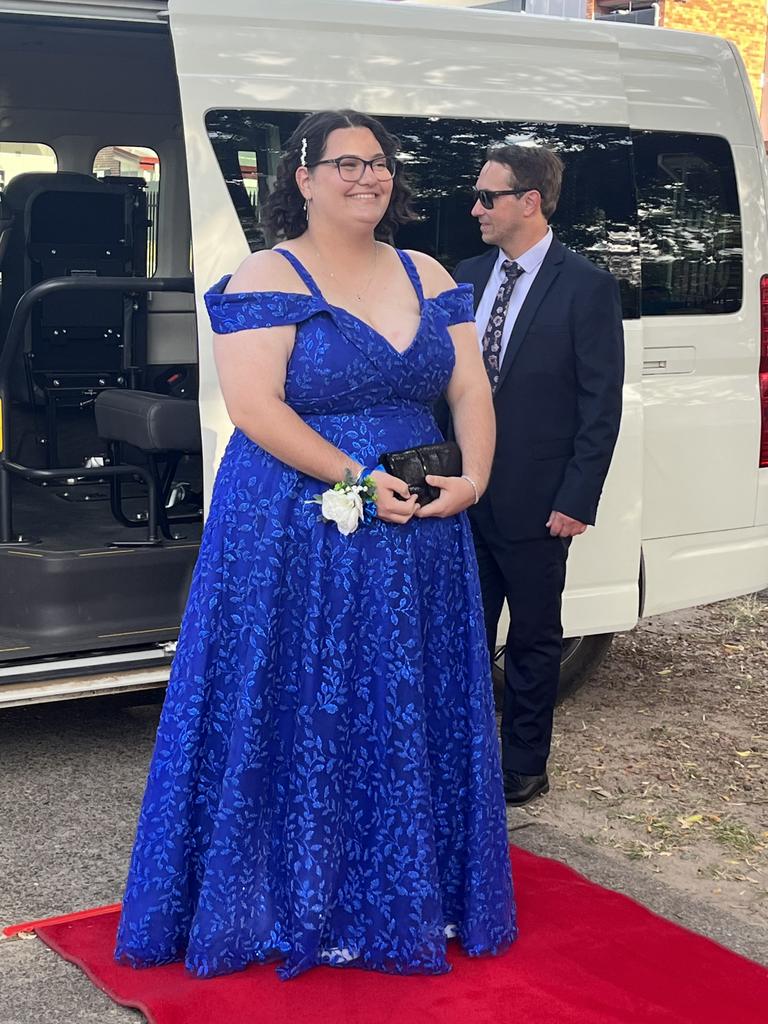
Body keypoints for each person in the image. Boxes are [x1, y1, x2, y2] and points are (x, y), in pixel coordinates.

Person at [114, 110, 516, 981]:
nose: (368, 177)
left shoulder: (428, 269)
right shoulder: (267, 273)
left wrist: (473, 480)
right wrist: (355, 478)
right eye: (346, 163)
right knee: (298, 699)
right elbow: (258, 409)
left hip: (420, 532)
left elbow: (470, 390)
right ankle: (285, 899)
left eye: (378, 164)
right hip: (298, 525)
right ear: (300, 178)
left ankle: (404, 895)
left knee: (396, 700)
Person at [454, 144, 624, 808]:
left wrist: (577, 498)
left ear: (529, 202)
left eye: (487, 197)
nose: (475, 208)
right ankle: (461, 758)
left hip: (538, 503)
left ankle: (525, 763)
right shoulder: (464, 275)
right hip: (463, 496)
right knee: (461, 637)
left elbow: (599, 403)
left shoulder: (586, 286)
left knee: (531, 641)